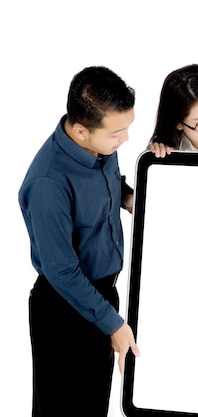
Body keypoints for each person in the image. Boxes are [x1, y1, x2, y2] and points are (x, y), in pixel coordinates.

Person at [18, 66, 141, 416]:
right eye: (118, 132)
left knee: (92, 407)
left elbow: (110, 182)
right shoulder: (47, 182)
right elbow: (62, 270)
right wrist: (114, 324)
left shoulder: (100, 146)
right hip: (63, 309)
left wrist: (131, 199)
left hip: (101, 296)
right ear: (81, 130)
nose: (126, 140)